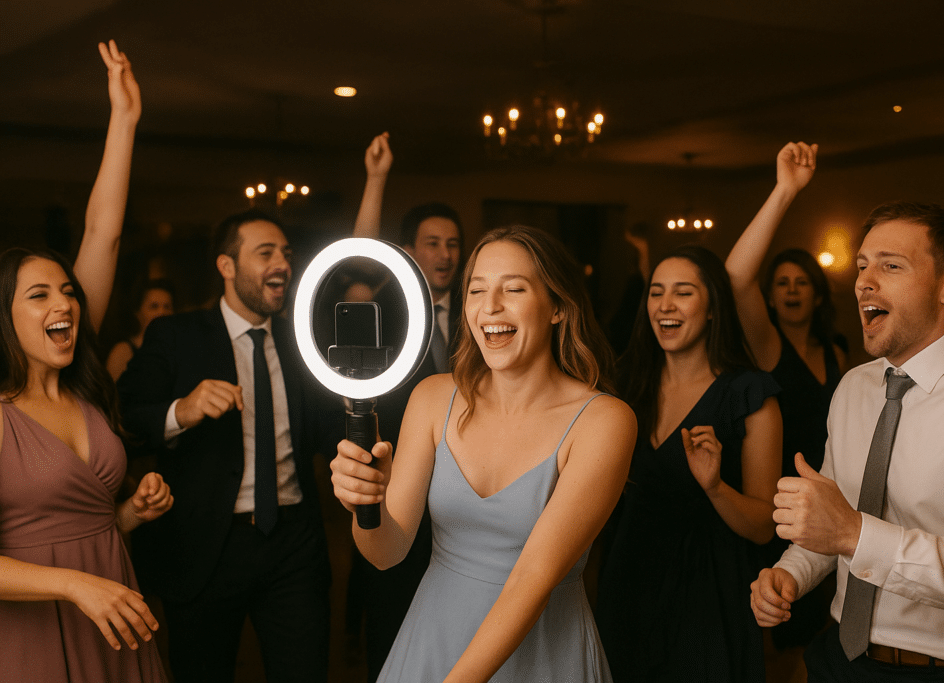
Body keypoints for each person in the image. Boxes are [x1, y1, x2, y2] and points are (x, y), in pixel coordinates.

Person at [332, 225, 636, 682]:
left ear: (556, 307)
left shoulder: (605, 421)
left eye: (513, 288)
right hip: (433, 635)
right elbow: (386, 553)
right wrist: (365, 503)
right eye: (476, 290)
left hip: (544, 651)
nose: (489, 307)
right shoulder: (434, 398)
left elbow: (532, 580)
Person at [751, 202, 944, 681]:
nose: (863, 281)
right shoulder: (854, 387)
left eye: (890, 265)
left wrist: (855, 534)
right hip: (838, 656)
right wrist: (791, 571)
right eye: (861, 266)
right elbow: (835, 522)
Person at [0, 40, 173, 681]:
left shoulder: (82, 384)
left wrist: (124, 122)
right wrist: (75, 586)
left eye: (68, 291)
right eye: (39, 294)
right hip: (33, 637)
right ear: (6, 319)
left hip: (115, 619)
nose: (63, 303)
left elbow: (103, 233)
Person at [117, 208, 344, 682]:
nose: (282, 263)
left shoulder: (304, 341)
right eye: (265, 253)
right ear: (226, 266)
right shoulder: (176, 335)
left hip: (293, 542)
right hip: (206, 546)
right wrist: (182, 409)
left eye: (285, 253)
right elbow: (125, 419)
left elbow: (330, 430)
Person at [596, 245, 783, 683]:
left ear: (714, 307)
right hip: (629, 578)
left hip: (710, 590)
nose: (665, 305)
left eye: (683, 293)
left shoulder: (748, 396)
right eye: (656, 292)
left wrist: (716, 486)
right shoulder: (625, 386)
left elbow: (762, 526)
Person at [349, 132, 469, 681]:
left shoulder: (482, 317)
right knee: (394, 614)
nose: (444, 255)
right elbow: (356, 261)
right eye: (431, 243)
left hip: (467, 487)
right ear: (407, 251)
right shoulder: (387, 312)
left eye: (452, 244)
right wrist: (376, 179)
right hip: (398, 482)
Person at [725, 142, 846, 654]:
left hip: (836, 501)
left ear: (818, 293)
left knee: (826, 630)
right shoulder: (768, 346)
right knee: (779, 632)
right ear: (770, 296)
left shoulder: (841, 351)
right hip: (780, 508)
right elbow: (735, 276)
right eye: (782, 283)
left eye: (802, 282)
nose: (792, 290)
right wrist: (785, 190)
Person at [106, 278, 175, 381]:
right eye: (154, 306)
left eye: (167, 307)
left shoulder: (173, 350)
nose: (162, 313)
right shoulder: (123, 351)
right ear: (138, 312)